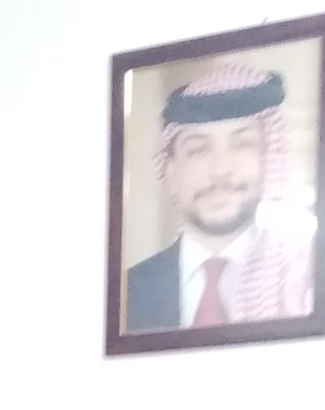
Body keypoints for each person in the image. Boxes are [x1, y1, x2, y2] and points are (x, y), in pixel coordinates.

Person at [123, 65, 314, 331]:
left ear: (270, 159)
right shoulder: (124, 294)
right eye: (198, 150)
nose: (221, 169)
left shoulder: (305, 282)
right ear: (170, 172)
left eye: (242, 144)